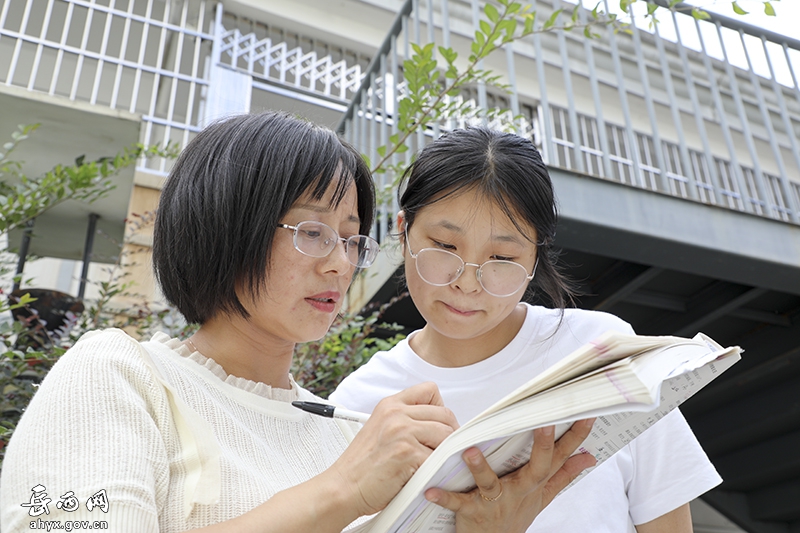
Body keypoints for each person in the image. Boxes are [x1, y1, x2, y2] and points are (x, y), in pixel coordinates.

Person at [0, 112, 597, 533]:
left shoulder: (349, 431)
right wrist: (336, 495)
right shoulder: (118, 373)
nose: (341, 264)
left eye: (350, 238)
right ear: (225, 223)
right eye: (311, 232)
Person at [331, 127, 723, 533]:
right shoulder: (359, 405)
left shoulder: (606, 353)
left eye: (502, 256)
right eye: (445, 246)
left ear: (535, 257)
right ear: (403, 229)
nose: (467, 282)